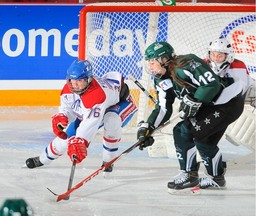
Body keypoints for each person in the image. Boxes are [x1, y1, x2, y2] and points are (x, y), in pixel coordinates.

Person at [137, 41, 245, 194]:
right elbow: (163, 108)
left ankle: (189, 175)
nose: (150, 66)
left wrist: (195, 99)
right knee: (204, 141)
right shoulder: (162, 80)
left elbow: (211, 84)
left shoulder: (185, 63)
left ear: (163, 59)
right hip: (213, 106)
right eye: (148, 62)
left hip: (227, 102)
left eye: (153, 62)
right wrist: (148, 128)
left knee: (182, 131)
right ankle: (216, 178)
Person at [25, 59, 137, 175]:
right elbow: (68, 107)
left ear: (88, 80)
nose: (74, 84)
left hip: (120, 104)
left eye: (79, 81)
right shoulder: (69, 88)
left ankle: (108, 161)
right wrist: (63, 116)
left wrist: (80, 141)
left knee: (111, 120)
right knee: (66, 140)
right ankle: (43, 159)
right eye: (72, 80)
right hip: (92, 110)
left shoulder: (96, 95)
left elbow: (90, 124)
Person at [205, 38, 255, 106]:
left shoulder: (238, 66)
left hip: (233, 101)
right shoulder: (203, 64)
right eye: (213, 54)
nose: (215, 58)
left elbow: (247, 86)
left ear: (227, 56)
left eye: (220, 55)